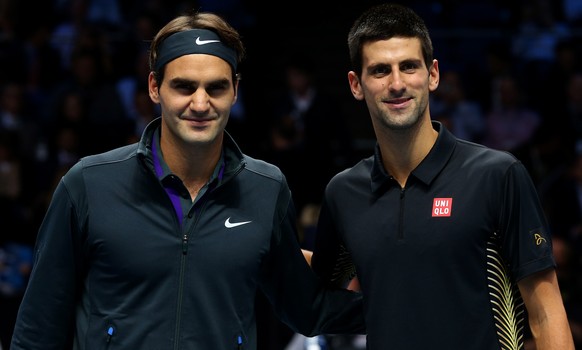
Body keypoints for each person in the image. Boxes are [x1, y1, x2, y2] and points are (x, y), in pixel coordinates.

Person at [10, 11, 364, 349]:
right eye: (184, 86)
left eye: (216, 87)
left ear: (235, 91)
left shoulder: (267, 190)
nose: (200, 103)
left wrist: (400, 300)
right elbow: (39, 329)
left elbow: (307, 308)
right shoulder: (87, 184)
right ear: (154, 87)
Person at [310, 3, 575, 349]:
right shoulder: (344, 193)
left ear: (433, 74)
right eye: (379, 71)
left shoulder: (497, 175)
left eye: (409, 67)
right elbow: (319, 287)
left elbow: (546, 314)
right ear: (356, 84)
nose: (397, 83)